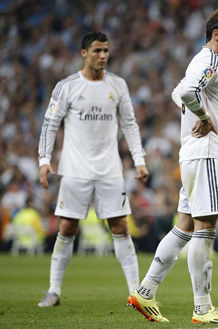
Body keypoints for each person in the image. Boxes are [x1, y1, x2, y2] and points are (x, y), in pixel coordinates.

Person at [127, 9, 218, 324]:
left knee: (184, 228)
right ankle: (203, 309)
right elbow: (189, 93)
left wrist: (195, 114)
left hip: (193, 153)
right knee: (206, 229)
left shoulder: (200, 62)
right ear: (216, 34)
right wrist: (204, 119)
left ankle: (145, 291)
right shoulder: (209, 61)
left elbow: (178, 93)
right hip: (206, 153)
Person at [37, 32, 149, 307]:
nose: (103, 55)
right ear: (84, 53)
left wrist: (139, 159)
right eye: (97, 50)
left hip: (110, 169)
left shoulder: (118, 85)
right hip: (75, 168)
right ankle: (54, 290)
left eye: (106, 50)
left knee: (121, 226)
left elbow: (130, 124)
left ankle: (136, 293)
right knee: (66, 226)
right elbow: (50, 124)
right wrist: (44, 160)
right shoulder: (67, 86)